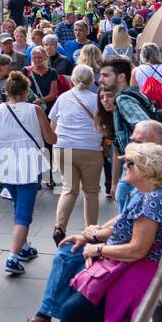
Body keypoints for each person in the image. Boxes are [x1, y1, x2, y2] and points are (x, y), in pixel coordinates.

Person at [0, 120, 162, 322]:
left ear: (156, 153)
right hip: (136, 261)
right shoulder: (155, 184)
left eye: (137, 144)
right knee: (72, 261)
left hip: (139, 269)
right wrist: (93, 233)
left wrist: (96, 246)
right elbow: (128, 218)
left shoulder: (158, 194)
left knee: (70, 264)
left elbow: (138, 245)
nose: (128, 149)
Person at [53, 142, 162, 322]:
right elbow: (122, 225)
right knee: (73, 308)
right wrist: (90, 236)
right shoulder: (149, 193)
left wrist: (98, 249)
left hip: (136, 279)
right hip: (137, 273)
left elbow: (137, 249)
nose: (124, 166)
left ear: (145, 167)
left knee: (72, 311)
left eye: (129, 163)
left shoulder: (152, 200)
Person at [0, 71, 56, 275]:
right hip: (29, 165)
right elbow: (51, 139)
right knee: (24, 214)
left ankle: (23, 247)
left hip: (5, 165)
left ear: (8, 91)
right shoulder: (35, 110)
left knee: (18, 205)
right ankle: (12, 258)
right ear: (27, 91)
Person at [48, 65, 103, 243]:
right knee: (91, 192)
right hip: (90, 149)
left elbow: (53, 126)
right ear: (91, 81)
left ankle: (59, 227)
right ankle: (91, 231)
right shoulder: (96, 99)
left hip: (64, 148)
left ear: (73, 79)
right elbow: (102, 126)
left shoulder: (63, 98)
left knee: (69, 189)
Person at [98, 57, 158, 208]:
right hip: (139, 167)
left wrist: (133, 154)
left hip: (138, 168)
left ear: (121, 77)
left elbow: (146, 128)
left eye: (105, 75)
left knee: (130, 217)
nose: (100, 80)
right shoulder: (134, 95)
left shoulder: (123, 99)